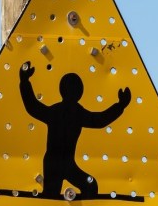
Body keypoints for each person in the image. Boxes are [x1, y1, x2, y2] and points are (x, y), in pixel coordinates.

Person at [19, 61, 131, 198]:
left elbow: (33, 106)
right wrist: (120, 106)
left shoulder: (59, 111)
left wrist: (24, 81)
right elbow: (100, 120)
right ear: (80, 92)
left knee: (75, 189)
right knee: (84, 187)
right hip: (58, 163)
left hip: (60, 163)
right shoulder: (76, 113)